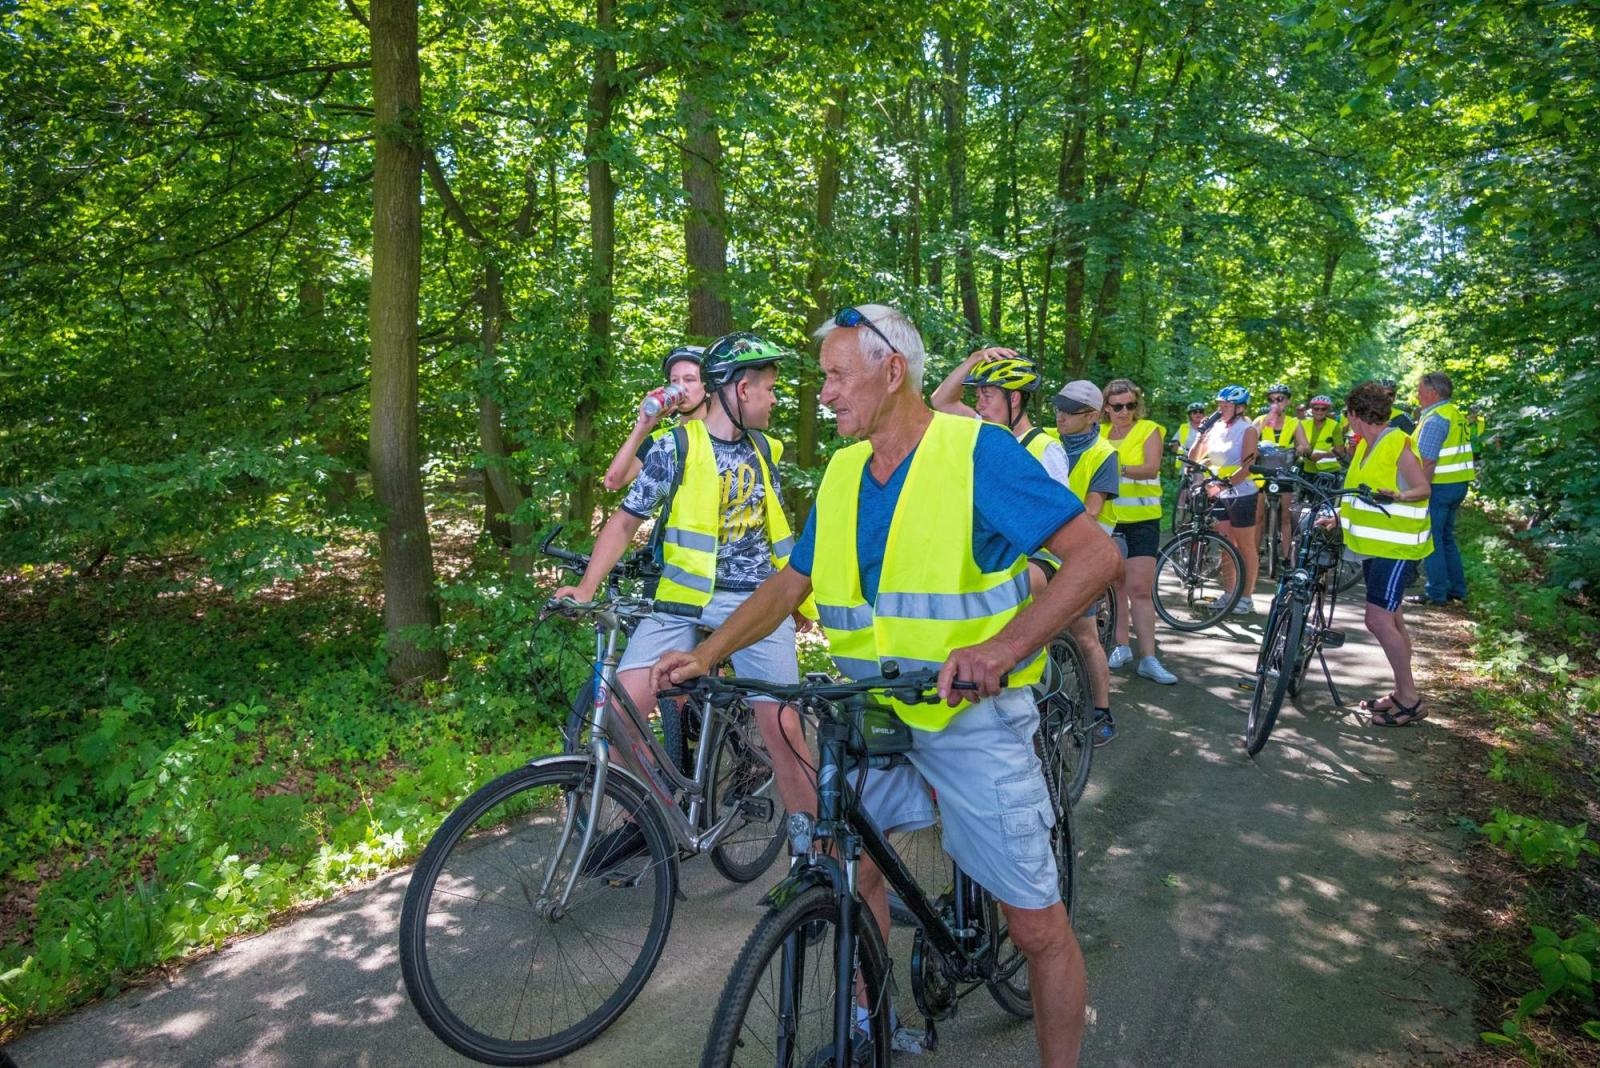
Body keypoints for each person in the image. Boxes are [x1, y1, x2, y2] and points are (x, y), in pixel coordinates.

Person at [655, 304, 1113, 1067]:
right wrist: (710, 657)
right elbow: (791, 583)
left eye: (836, 375)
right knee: (848, 868)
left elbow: (1094, 558)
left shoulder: (977, 453)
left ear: (891, 370)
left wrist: (1001, 647)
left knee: (1036, 928)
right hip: (872, 712)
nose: (822, 393)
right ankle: (876, 1020)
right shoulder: (840, 472)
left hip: (971, 718)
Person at [554, 332, 815, 844]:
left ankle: (815, 853)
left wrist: (796, 602)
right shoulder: (676, 447)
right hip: (681, 602)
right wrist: (586, 588)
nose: (774, 399)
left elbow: (777, 530)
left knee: (782, 729)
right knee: (621, 712)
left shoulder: (764, 448)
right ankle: (657, 810)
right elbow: (625, 520)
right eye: (768, 388)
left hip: (755, 602)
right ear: (740, 390)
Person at [1332, 381, 1433, 725]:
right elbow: (1355, 493)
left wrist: (1399, 496)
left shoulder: (1395, 442)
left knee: (1377, 620)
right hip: (1377, 546)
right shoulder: (1365, 446)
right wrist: (1337, 520)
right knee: (1393, 619)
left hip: (1399, 546)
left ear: (1356, 415)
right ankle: (1402, 691)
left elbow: (1422, 488)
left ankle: (1410, 699)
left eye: (1348, 415)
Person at [1051, 380, 1124, 741]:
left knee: (1085, 635)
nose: (1060, 417)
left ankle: (1101, 712)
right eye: (1058, 409)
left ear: (1093, 416)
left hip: (1085, 555)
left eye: (1070, 412)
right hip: (1043, 552)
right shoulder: (1046, 439)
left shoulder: (1103, 453)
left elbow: (1093, 510)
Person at [1099, 378, 1179, 685]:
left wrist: (1114, 469)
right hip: (1108, 520)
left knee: (1140, 591)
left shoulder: (1149, 429)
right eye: (1118, 406)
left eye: (1130, 406)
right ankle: (1121, 646)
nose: (1124, 412)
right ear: (1106, 407)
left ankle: (1148, 658)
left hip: (1143, 520)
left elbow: (1151, 468)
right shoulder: (1100, 433)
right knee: (1115, 588)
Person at [1191, 385, 1261, 614]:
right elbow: (1194, 458)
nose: (1220, 409)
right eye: (1219, 405)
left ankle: (1246, 597)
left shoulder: (1247, 429)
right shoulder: (1216, 427)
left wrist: (1222, 484)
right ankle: (1229, 593)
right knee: (1226, 545)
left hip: (1242, 493)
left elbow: (1247, 466)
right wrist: (1201, 434)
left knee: (1245, 546)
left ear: (1239, 408)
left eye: (1226, 405)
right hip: (1220, 494)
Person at [602, 345, 710, 490]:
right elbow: (613, 482)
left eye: (689, 380)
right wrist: (644, 425)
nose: (681, 387)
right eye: (674, 381)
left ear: (710, 386)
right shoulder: (662, 439)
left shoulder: (728, 436)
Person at [1408, 371, 1474, 606]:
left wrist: (1420, 489)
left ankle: (1436, 592)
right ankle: (1456, 588)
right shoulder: (1454, 414)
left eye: (1420, 390)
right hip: (1458, 484)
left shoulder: (1436, 419)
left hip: (1439, 486)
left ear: (1432, 392)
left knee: (1432, 537)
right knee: (1446, 537)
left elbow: (1428, 460)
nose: (1417, 394)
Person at [1253, 383, 1309, 568]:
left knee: (1286, 517)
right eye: (1271, 400)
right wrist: (1266, 420)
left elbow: (1305, 446)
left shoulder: (1294, 423)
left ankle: (1286, 558)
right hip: (1262, 472)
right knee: (1258, 516)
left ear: (1288, 401)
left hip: (1284, 470)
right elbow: (1249, 441)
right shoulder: (1260, 420)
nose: (1275, 403)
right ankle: (1253, 555)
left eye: (1280, 399)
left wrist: (1300, 449)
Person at [1302, 393, 1345, 478]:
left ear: (1328, 410)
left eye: (1323, 409)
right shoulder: (1303, 424)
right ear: (1312, 409)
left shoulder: (1334, 425)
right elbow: (1297, 446)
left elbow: (1340, 451)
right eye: (1316, 408)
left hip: (1330, 471)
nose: (1319, 412)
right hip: (1308, 470)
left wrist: (1322, 456)